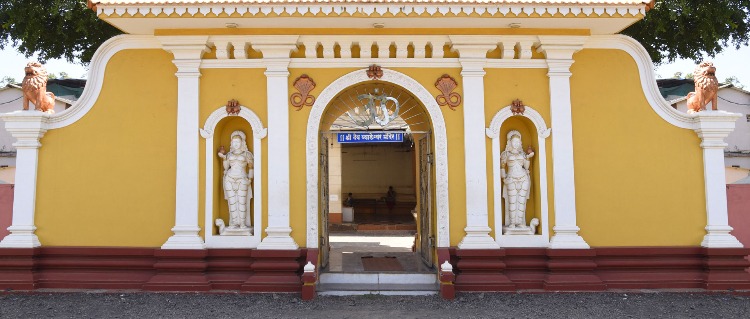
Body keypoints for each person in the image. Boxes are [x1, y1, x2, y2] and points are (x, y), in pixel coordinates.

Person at [218, 130, 253, 229]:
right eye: (234, 142)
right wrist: (224, 158)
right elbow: (226, 167)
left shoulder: (247, 154)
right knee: (232, 201)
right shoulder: (229, 154)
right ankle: (234, 223)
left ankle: (242, 223)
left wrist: (249, 179)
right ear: (231, 143)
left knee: (242, 201)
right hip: (229, 178)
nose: (236, 144)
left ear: (242, 142)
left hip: (242, 179)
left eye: (238, 142)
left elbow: (251, 167)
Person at [500, 130, 534, 229]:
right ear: (510, 142)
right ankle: (512, 223)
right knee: (512, 200)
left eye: (518, 142)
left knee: (521, 201)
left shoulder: (523, 154)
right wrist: (504, 178)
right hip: (511, 178)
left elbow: (526, 167)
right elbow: (502, 167)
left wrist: (527, 157)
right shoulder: (505, 154)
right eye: (514, 142)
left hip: (523, 178)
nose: (516, 144)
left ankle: (520, 222)